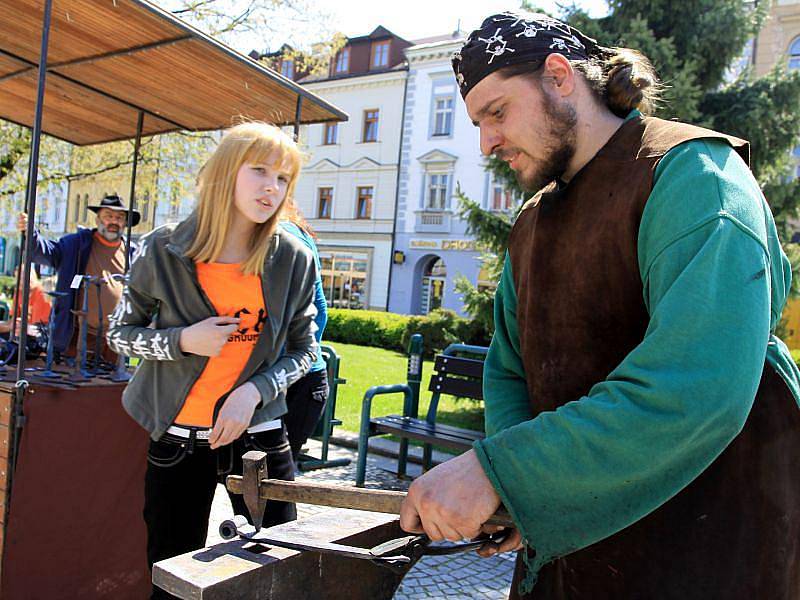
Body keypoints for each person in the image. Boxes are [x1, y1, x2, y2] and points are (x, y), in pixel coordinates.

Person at [398, 11, 800, 599]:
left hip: (715, 550)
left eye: (497, 112)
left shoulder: (694, 177)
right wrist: (520, 495)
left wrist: (502, 471)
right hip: (575, 560)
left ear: (559, 76)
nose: (485, 142)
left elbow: (695, 384)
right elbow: (510, 373)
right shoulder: (532, 221)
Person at [106, 121, 318, 600]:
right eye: (260, 170)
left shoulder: (292, 257)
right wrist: (183, 339)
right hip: (177, 441)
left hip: (258, 440)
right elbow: (120, 334)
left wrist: (254, 391)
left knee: (277, 571)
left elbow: (306, 350)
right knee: (172, 575)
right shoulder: (163, 248)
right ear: (226, 173)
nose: (272, 186)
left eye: (283, 178)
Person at [18, 193, 139, 361]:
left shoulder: (133, 253)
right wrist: (30, 233)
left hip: (115, 340)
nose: (114, 221)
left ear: (125, 223)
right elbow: (45, 252)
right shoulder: (76, 245)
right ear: (97, 220)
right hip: (77, 336)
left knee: (110, 386)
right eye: (108, 216)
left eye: (119, 217)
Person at [279, 201, 329, 461]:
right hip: (305, 377)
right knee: (266, 481)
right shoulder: (296, 233)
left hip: (296, 379)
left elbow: (318, 309)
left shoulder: (284, 235)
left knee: (268, 481)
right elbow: (319, 310)